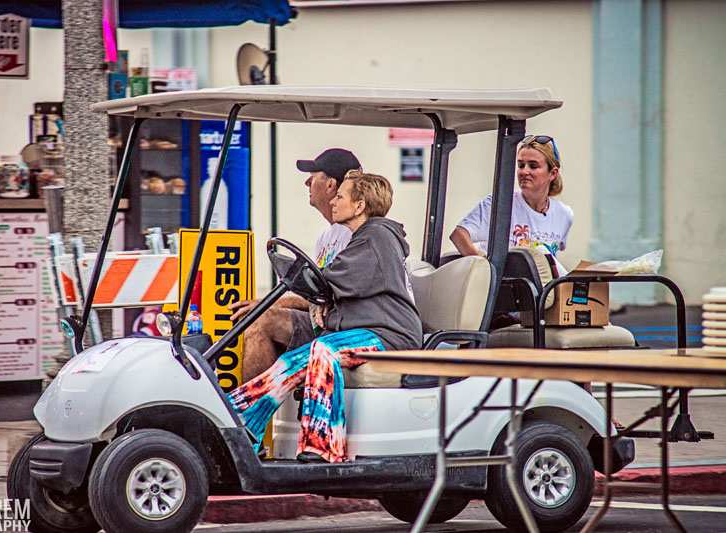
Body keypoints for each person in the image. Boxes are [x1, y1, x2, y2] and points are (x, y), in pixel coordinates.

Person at [228, 171, 421, 463]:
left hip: (388, 336)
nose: (334, 201)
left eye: (341, 196)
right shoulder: (363, 238)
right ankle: (242, 426)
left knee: (324, 350)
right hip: (364, 330)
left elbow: (326, 283)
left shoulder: (376, 237)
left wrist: (298, 280)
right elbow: (325, 286)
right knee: (290, 361)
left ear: (359, 206)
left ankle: (321, 445)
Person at [228, 148, 361, 381]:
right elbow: (316, 294)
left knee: (262, 322)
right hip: (326, 322)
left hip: (343, 327)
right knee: (259, 318)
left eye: (313, 175)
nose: (307, 182)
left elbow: (331, 295)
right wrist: (266, 304)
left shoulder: (356, 235)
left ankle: (247, 413)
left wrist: (265, 306)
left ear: (330, 185)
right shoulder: (327, 237)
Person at [449, 135, 573, 271]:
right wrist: (487, 271)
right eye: (521, 165)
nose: (524, 171)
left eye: (533, 166)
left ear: (553, 173)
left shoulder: (564, 214)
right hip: (505, 289)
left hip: (540, 291)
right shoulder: (499, 204)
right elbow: (459, 235)